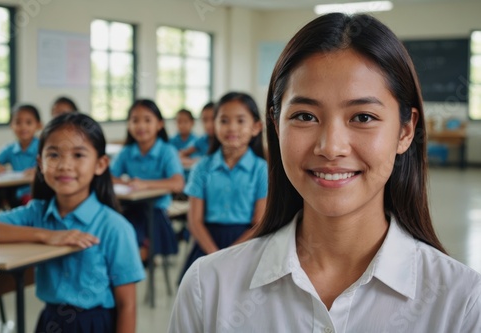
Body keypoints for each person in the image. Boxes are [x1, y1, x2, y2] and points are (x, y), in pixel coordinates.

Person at [169, 13, 481, 333]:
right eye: (305, 115)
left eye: (362, 117)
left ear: (405, 131)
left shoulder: (463, 303)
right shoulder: (208, 288)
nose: (331, 148)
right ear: (276, 127)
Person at [0, 113, 145, 332]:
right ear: (40, 163)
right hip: (51, 320)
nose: (65, 165)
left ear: (100, 164)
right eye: (54, 155)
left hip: (95, 323)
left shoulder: (114, 227)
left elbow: (127, 305)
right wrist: (46, 235)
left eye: (78, 155)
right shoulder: (37, 213)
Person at [178, 92, 267, 281]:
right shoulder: (202, 167)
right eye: (224, 121)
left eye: (241, 121)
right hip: (206, 243)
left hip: (246, 244)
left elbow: (259, 223)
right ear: (214, 126)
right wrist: (215, 256)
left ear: (256, 127)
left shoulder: (261, 170)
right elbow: (194, 221)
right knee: (201, 302)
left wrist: (228, 255)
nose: (232, 127)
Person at [111, 99, 184, 259]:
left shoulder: (167, 151)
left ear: (159, 124)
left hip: (156, 211)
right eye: (135, 120)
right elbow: (107, 176)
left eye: (147, 120)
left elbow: (178, 183)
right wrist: (127, 183)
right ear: (129, 125)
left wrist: (145, 185)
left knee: (132, 235)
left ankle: (136, 256)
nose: (141, 126)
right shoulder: (127, 152)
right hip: (131, 207)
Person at [0, 104, 42, 207]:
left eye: (28, 122)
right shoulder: (10, 149)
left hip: (36, 195)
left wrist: (38, 170)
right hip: (16, 196)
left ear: (38, 125)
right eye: (18, 122)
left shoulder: (43, 147)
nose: (23, 127)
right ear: (11, 125)